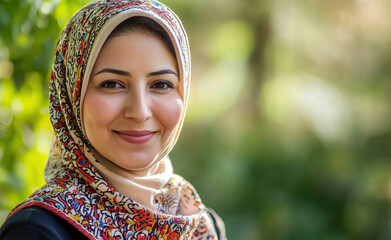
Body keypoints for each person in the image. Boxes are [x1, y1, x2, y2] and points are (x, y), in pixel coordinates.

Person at [0, 0, 226, 239]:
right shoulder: (37, 231)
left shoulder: (198, 222)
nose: (139, 112)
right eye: (112, 84)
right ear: (71, 96)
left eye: (161, 84)